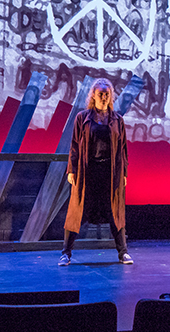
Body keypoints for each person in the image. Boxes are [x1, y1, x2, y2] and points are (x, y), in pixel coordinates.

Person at [58, 78, 132, 266]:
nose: (104, 97)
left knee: (115, 212)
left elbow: (123, 148)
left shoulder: (117, 120)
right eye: (101, 94)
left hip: (110, 172)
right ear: (93, 95)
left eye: (107, 94)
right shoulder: (82, 118)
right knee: (77, 212)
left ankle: (123, 252)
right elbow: (74, 146)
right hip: (87, 172)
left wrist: (123, 172)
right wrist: (71, 169)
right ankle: (66, 253)